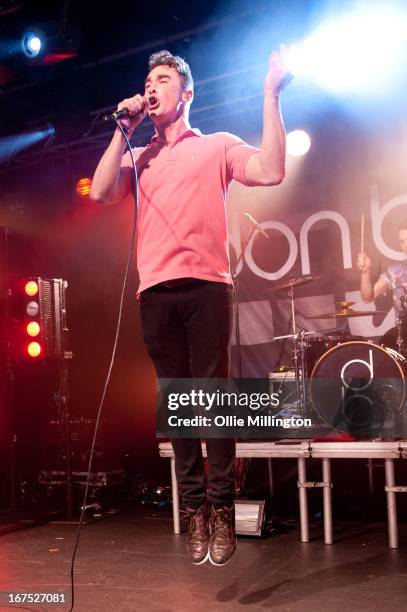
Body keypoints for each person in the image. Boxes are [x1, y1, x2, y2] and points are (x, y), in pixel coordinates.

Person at [90, 48, 292, 566]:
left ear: (186, 92)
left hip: (206, 287)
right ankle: (197, 507)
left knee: (213, 398)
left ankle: (222, 508)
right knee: (177, 404)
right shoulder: (144, 154)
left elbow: (270, 171)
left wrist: (270, 96)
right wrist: (123, 130)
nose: (151, 87)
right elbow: (102, 192)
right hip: (155, 291)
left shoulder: (217, 146)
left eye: (161, 80)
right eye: (147, 81)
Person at [357, 220, 407, 350]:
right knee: (386, 342)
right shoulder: (396, 271)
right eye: (402, 241)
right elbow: (367, 297)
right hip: (405, 334)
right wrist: (365, 272)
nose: (405, 245)